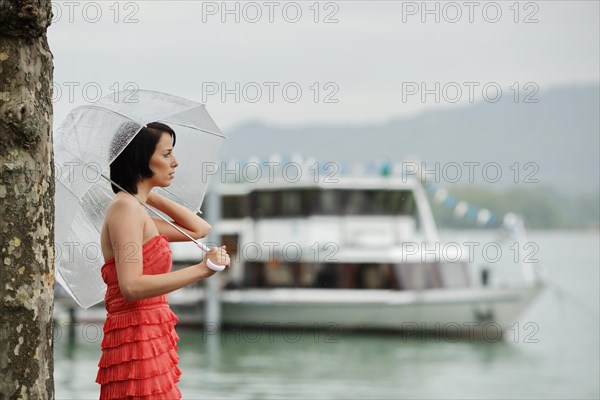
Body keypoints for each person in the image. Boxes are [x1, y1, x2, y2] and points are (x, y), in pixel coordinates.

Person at [95, 121, 230, 399]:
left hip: (152, 335)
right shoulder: (125, 209)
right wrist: (202, 270)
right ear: (141, 159)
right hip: (135, 339)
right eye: (166, 154)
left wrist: (149, 193)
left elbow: (199, 229)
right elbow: (131, 287)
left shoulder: (137, 209)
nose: (175, 162)